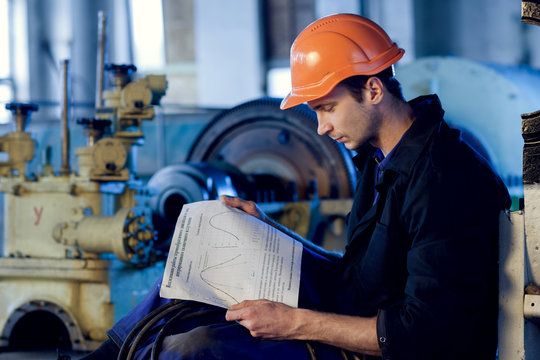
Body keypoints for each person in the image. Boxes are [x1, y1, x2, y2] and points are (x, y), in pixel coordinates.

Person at [83, 13, 510, 360]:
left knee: (197, 348)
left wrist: (292, 322)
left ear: (374, 89)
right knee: (200, 259)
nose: (322, 128)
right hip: (352, 305)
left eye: (327, 109)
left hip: (384, 348)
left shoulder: (446, 180)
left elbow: (426, 335)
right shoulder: (381, 157)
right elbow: (359, 275)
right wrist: (271, 232)